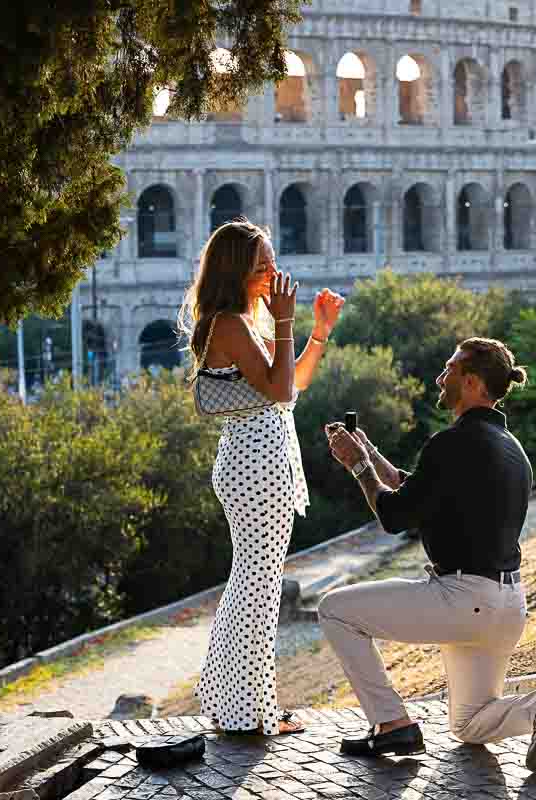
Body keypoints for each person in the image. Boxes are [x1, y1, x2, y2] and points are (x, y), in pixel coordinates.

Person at [320, 337, 536, 771]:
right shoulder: (511, 449)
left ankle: (390, 724)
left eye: (449, 370)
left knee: (335, 610)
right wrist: (369, 452)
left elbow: (393, 514)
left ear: (473, 381)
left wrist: (357, 466)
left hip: (462, 599)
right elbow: (420, 490)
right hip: (508, 606)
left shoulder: (451, 443)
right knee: (469, 725)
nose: (440, 378)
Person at [180, 218, 344, 736]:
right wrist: (285, 321)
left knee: (252, 585)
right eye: (261, 265)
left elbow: (290, 382)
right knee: (258, 588)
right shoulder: (229, 323)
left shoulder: (241, 322)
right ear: (236, 273)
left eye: (272, 259)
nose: (273, 271)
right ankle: (248, 713)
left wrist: (316, 332)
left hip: (258, 463)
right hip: (255, 466)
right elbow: (279, 392)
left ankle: (237, 705)